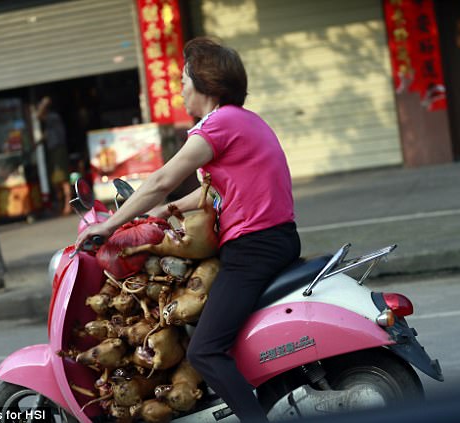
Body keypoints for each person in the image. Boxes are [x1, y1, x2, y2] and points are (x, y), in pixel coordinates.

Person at [76, 37, 300, 422]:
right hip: (270, 240)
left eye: (183, 80)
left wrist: (109, 226)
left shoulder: (218, 124)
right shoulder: (242, 121)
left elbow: (162, 178)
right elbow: (213, 191)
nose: (179, 89)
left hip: (254, 248)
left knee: (205, 350)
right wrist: (165, 211)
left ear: (205, 85)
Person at [36, 96, 71, 215]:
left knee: (63, 179)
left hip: (58, 151)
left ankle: (68, 205)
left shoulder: (52, 117)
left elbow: (38, 115)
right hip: (53, 151)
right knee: (56, 182)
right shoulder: (50, 124)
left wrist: (44, 103)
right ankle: (62, 205)